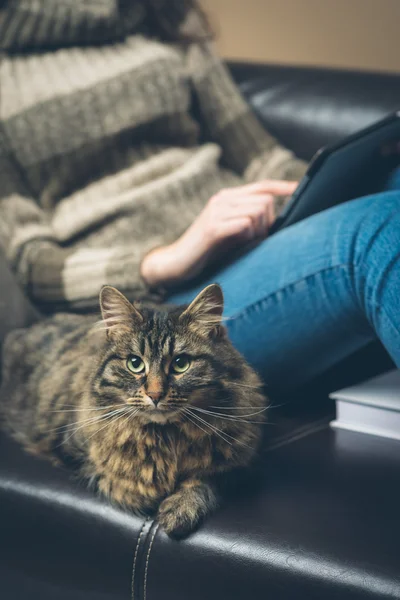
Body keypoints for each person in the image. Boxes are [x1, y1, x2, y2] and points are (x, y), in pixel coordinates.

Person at [0, 0, 399, 396]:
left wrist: (331, 180)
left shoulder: (161, 13)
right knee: (379, 230)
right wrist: (165, 260)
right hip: (163, 316)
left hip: (252, 247)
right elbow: (32, 263)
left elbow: (261, 158)